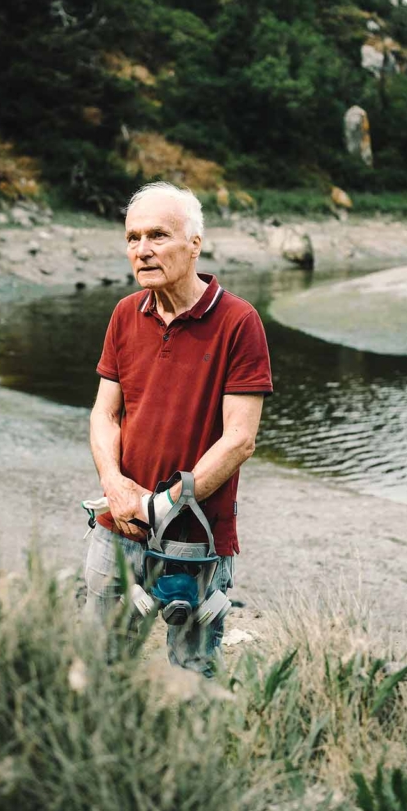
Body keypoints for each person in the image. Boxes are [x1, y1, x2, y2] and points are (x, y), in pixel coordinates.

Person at [85, 181, 273, 675]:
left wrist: (159, 505)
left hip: (197, 538)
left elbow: (240, 438)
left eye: (158, 235)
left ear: (195, 244)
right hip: (118, 525)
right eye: (132, 238)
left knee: (193, 672)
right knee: (101, 664)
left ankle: (196, 753)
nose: (142, 250)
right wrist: (115, 486)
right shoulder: (125, 314)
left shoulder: (239, 321)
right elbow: (105, 414)